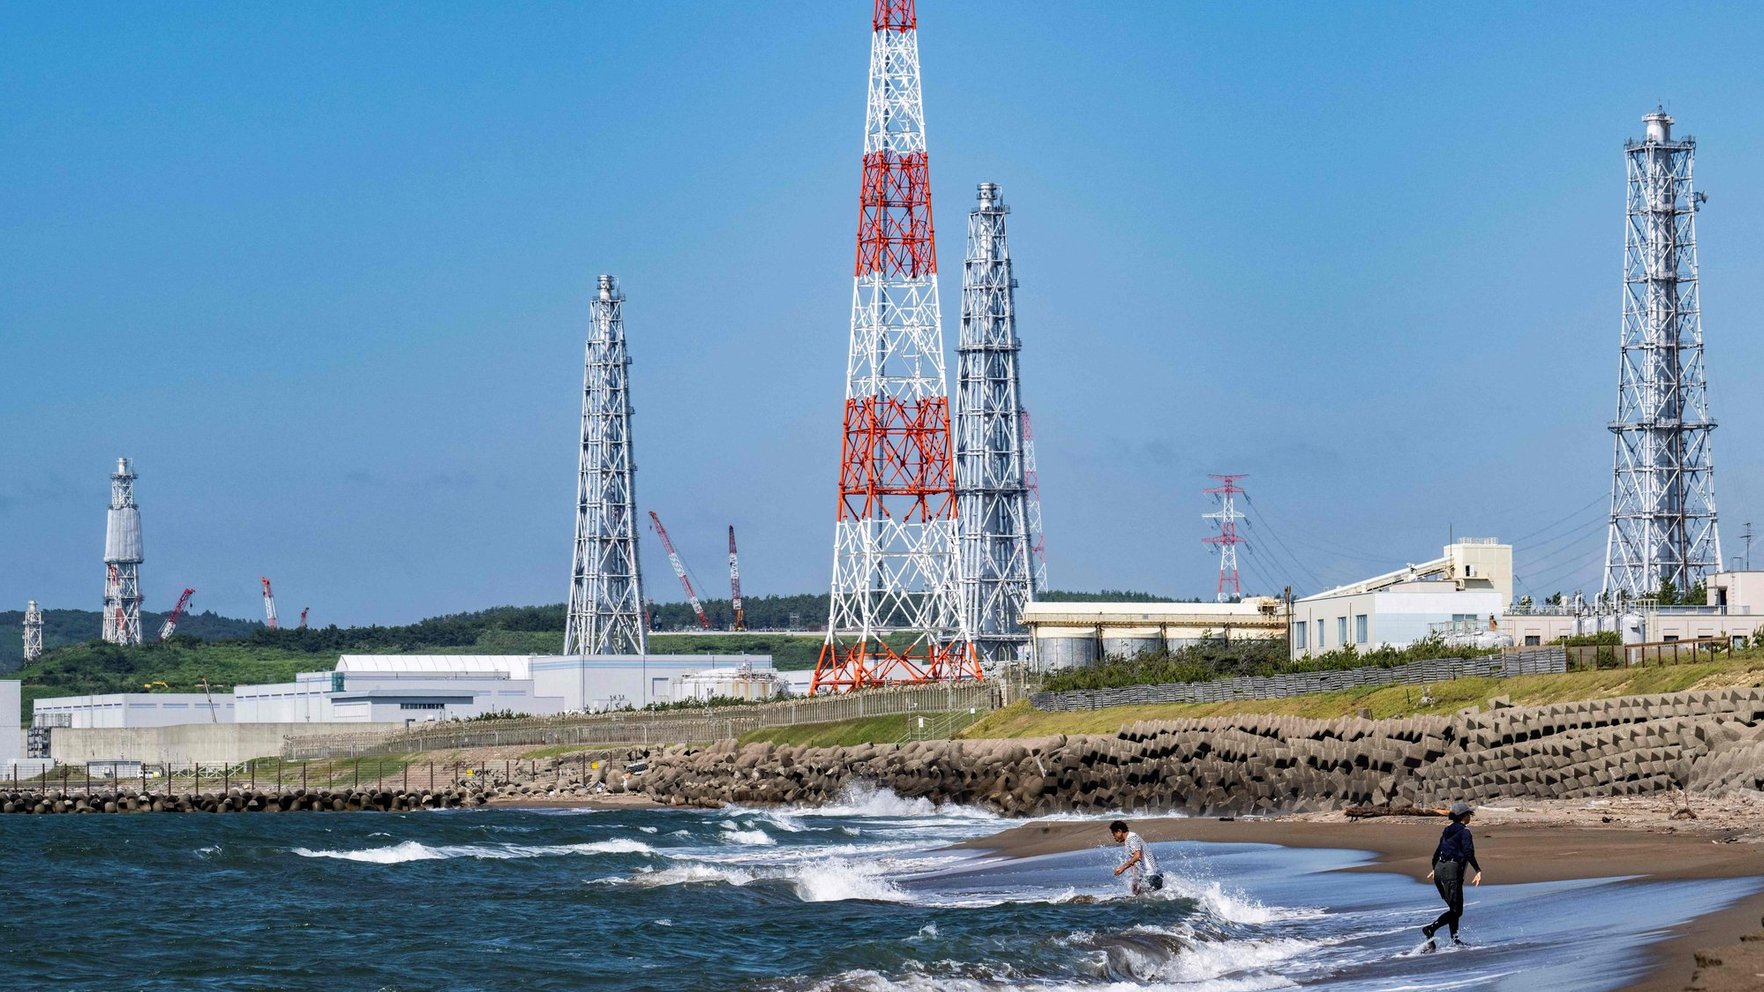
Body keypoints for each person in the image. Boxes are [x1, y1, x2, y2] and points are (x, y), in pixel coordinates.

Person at [1422, 801, 1483, 950]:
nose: (1470, 817)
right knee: (1457, 910)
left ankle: (1455, 940)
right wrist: (1478, 870)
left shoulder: (1447, 829)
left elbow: (1438, 852)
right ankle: (1431, 928)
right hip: (1451, 871)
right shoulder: (1465, 831)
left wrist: (1434, 868)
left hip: (1440, 869)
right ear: (1464, 816)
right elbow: (1468, 852)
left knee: (1453, 908)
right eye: (1469, 814)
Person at [1109, 820, 1163, 895]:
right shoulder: (1128, 840)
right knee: (1138, 896)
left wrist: (1122, 868)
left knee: (1141, 898)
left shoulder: (1132, 838)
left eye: (1114, 834)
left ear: (1119, 831)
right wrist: (1134, 881)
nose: (1114, 837)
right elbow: (1134, 863)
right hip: (1151, 875)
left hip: (1152, 875)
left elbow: (1137, 856)